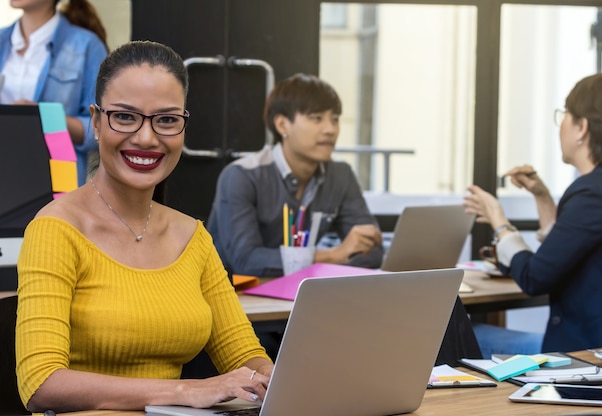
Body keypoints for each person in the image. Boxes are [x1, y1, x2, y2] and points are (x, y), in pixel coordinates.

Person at [16, 40, 273, 413]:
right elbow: (41, 382)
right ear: (96, 121)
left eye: (166, 120)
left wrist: (275, 379)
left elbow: (245, 355)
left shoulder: (193, 237)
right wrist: (186, 391)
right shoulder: (55, 229)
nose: (146, 138)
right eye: (125, 116)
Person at [463, 73, 602, 353]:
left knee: (458, 337)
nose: (560, 124)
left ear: (581, 128)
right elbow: (574, 251)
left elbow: (535, 278)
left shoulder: (592, 193)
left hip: (584, 358)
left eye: (565, 114)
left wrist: (499, 223)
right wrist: (543, 197)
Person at [207, 73, 384, 277]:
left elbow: (372, 253)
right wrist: (332, 256)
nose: (330, 130)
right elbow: (246, 261)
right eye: (317, 118)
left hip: (300, 291)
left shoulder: (340, 175)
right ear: (282, 125)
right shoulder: (242, 176)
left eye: (335, 120)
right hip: (233, 294)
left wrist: (339, 255)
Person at [0, 0, 108, 185]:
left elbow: (104, 127)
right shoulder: (2, 40)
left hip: (56, 179)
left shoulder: (87, 46)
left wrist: (45, 117)